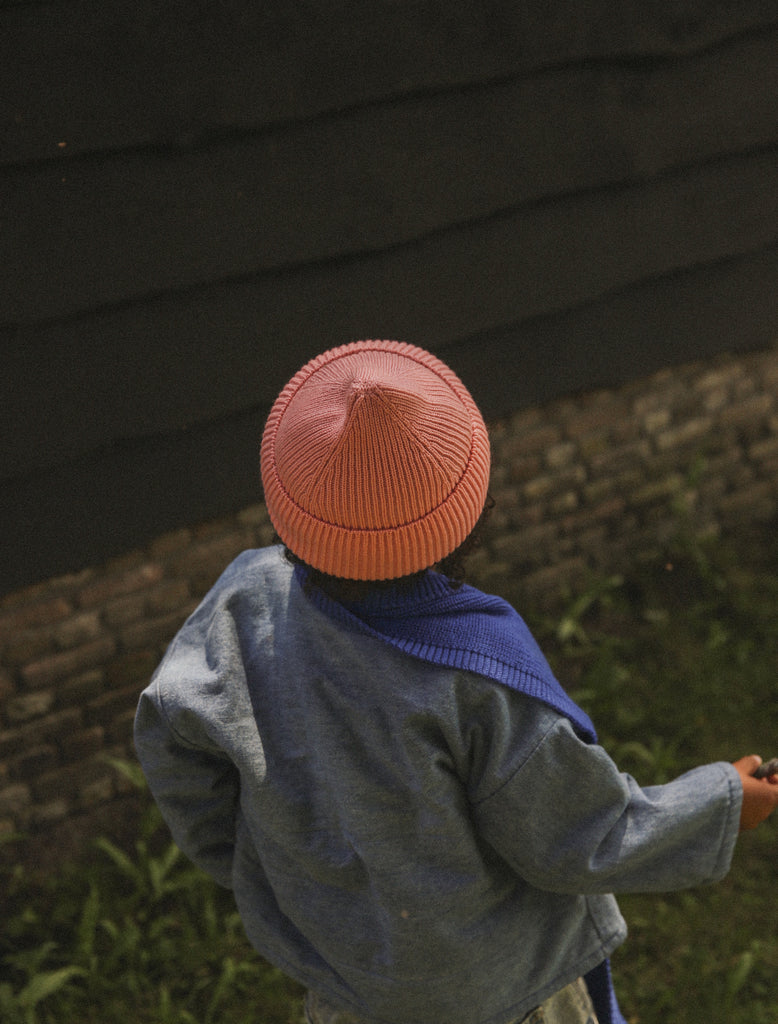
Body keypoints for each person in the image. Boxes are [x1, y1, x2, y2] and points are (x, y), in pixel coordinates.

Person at [134, 339, 778, 1024]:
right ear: (468, 512)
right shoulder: (476, 677)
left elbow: (173, 748)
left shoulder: (241, 603)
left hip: (348, 987)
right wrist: (722, 804)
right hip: (501, 996)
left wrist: (260, 868)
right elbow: (578, 836)